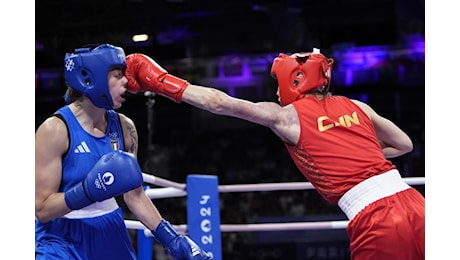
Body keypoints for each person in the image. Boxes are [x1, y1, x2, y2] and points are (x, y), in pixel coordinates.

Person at [123, 49, 425, 260]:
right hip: (417, 205)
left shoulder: (287, 116)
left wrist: (162, 82)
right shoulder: (357, 106)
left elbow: (219, 102)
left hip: (377, 218)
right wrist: (357, 154)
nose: (278, 93)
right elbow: (403, 145)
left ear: (293, 80)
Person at [35, 43, 212, 260]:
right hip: (61, 237)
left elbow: (134, 195)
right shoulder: (55, 130)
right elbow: (42, 209)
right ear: (90, 78)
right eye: (118, 75)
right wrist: (88, 191)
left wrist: (173, 239)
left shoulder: (124, 128)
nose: (127, 81)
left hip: (110, 230)